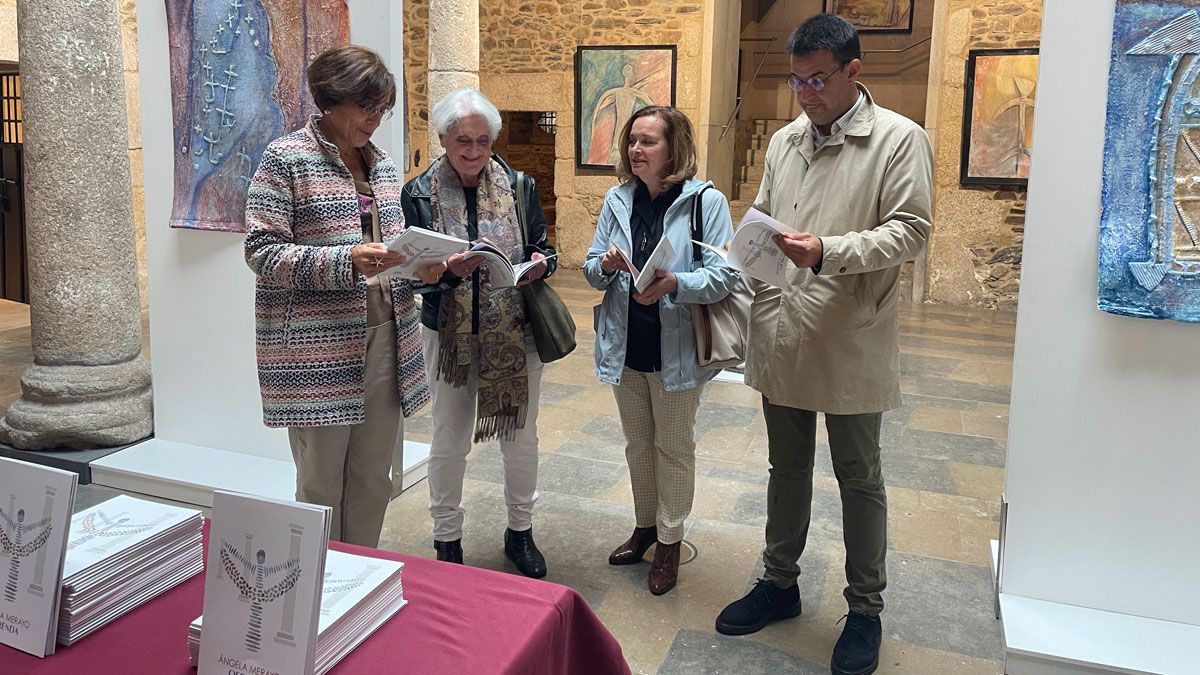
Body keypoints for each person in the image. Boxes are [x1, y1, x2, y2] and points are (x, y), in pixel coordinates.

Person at [712, 15, 932, 675]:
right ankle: (779, 581)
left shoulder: (899, 139)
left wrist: (828, 251)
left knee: (859, 476)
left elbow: (912, 230)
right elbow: (770, 213)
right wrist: (746, 251)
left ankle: (864, 608)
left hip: (849, 332)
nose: (806, 93)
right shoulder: (784, 140)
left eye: (818, 80)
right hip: (784, 326)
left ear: (852, 72)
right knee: (787, 466)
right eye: (797, 80)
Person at [245, 46, 441, 548]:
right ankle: (315, 587)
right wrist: (344, 261)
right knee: (321, 483)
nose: (375, 121)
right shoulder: (286, 158)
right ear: (331, 100)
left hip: (389, 338)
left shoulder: (382, 166)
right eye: (366, 108)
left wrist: (425, 266)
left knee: (375, 477)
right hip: (317, 350)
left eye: (382, 110)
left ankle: (362, 573)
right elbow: (262, 252)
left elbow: (392, 251)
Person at [401, 88, 557, 579]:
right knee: (448, 440)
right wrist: (447, 270)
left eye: (483, 141)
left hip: (513, 331)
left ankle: (521, 532)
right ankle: (447, 539)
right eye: (462, 141)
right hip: (447, 335)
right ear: (444, 138)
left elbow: (543, 248)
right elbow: (406, 268)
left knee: (521, 437)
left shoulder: (519, 184)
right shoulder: (417, 193)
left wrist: (538, 264)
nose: (473, 151)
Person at [583, 106, 738, 596]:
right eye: (632, 140)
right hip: (626, 346)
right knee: (638, 446)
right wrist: (606, 265)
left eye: (648, 141)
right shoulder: (617, 198)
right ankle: (645, 526)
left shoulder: (703, 202)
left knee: (673, 447)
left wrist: (676, 282)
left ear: (675, 148)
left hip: (676, 349)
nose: (635, 149)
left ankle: (670, 540)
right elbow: (589, 268)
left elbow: (726, 275)